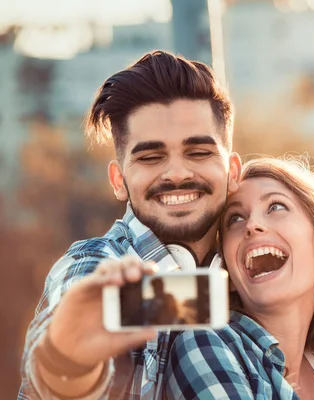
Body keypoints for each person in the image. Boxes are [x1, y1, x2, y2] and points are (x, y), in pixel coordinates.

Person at [18, 50, 241, 399]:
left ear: (234, 172)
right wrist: (68, 361)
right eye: (150, 158)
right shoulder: (93, 264)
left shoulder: (246, 280)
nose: (178, 173)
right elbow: (59, 369)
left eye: (198, 152)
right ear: (119, 180)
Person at [166, 157, 314, 399]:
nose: (252, 224)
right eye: (235, 218)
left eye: (275, 207)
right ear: (229, 274)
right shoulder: (204, 345)